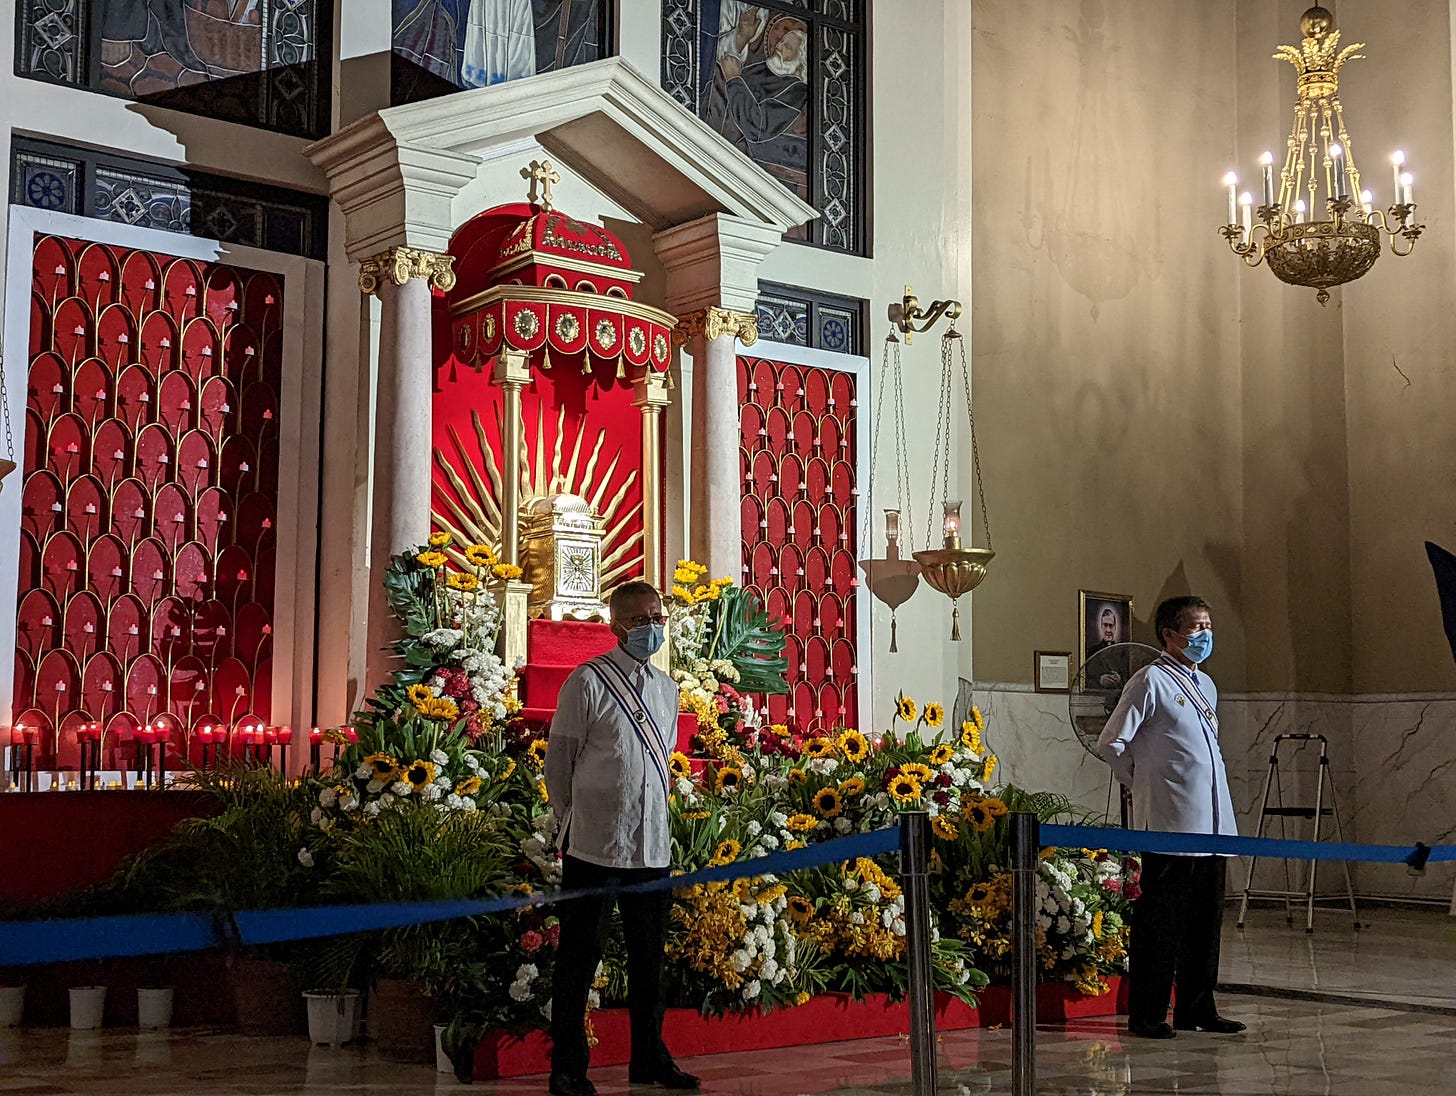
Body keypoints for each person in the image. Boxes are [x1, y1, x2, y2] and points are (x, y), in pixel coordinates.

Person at [545, 582, 700, 1096]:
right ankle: (568, 1067)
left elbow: (662, 763)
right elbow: (559, 762)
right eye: (638, 620)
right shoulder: (586, 682)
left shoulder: (667, 689)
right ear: (615, 626)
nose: (650, 627)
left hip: (650, 844)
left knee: (649, 958)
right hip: (594, 842)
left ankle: (649, 1058)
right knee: (579, 956)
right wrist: (571, 818)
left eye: (656, 616)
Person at [1096, 595, 1244, 1040]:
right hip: (1168, 825)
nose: (1205, 636)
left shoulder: (1207, 685)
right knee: (1161, 926)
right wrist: (1143, 785)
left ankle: (1197, 1008)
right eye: (1197, 628)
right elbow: (1111, 744)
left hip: (1213, 825)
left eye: (1209, 626)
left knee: (1204, 925)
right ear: (1170, 635)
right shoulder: (1150, 681)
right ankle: (1147, 1013)